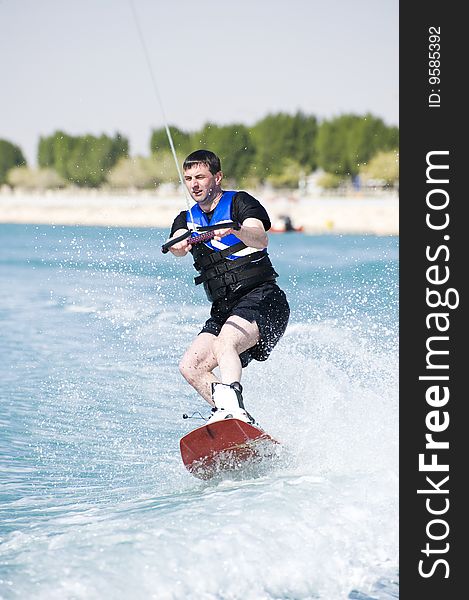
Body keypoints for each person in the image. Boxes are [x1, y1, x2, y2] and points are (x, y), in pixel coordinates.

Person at [168, 149, 290, 425]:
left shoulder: (240, 204)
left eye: (200, 176)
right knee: (191, 366)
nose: (194, 184)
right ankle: (235, 419)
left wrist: (236, 230)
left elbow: (260, 238)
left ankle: (233, 406)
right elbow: (176, 243)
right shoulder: (185, 219)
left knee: (225, 343)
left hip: (264, 300)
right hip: (224, 309)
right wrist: (178, 245)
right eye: (188, 178)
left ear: (218, 177)